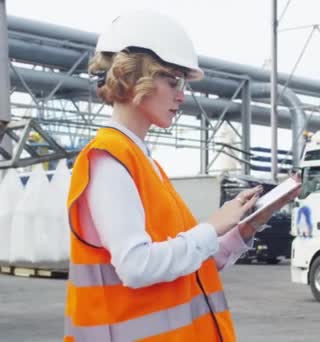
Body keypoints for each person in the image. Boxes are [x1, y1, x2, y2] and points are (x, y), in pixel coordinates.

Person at [64, 11, 300, 342]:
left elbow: (191, 260)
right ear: (133, 77)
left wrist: (246, 226)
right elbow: (137, 266)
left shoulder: (144, 164)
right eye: (173, 81)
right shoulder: (108, 160)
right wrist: (214, 224)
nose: (181, 95)